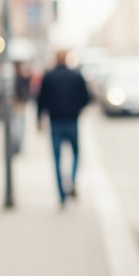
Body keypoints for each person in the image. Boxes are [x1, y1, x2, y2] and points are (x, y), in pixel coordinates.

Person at [36, 50, 91, 208]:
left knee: (57, 159)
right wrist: (76, 109)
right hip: (72, 121)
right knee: (76, 154)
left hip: (55, 122)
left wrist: (39, 119)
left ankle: (61, 194)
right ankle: (72, 181)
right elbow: (86, 98)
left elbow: (41, 100)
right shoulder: (76, 76)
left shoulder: (49, 76)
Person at [10, 61, 32, 154]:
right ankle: (16, 146)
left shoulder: (22, 78)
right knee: (17, 127)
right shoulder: (16, 79)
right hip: (16, 104)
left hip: (20, 105)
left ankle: (17, 147)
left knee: (18, 127)